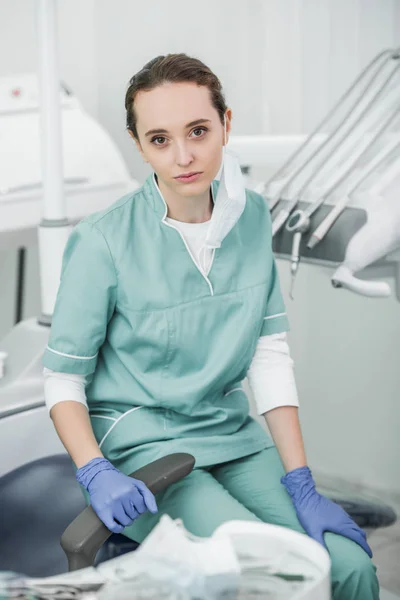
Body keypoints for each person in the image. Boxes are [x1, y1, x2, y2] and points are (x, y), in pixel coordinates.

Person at [42, 53, 379, 600]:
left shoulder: (252, 220)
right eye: (159, 139)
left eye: (198, 131)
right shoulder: (103, 241)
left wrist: (301, 481)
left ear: (226, 123)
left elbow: (268, 356)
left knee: (349, 565)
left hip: (230, 434)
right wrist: (95, 471)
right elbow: (63, 380)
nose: (183, 157)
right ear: (139, 145)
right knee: (269, 573)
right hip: (145, 449)